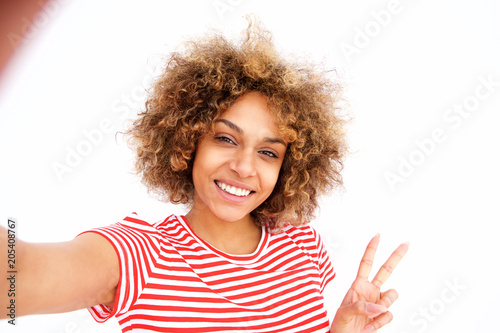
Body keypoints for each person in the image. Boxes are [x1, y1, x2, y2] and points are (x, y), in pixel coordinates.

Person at [0, 18, 408, 333]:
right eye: (226, 139)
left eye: (268, 152)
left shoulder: (303, 248)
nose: (245, 167)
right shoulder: (141, 254)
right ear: (187, 142)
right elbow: (17, 277)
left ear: (288, 168)